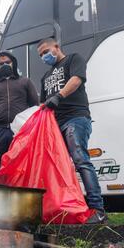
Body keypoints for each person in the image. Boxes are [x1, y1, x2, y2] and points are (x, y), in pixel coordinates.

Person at [37, 38, 106, 224]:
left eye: (46, 51)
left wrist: (59, 96)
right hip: (55, 126)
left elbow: (76, 80)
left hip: (76, 118)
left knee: (81, 160)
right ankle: (66, 208)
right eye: (41, 55)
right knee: (58, 167)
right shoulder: (45, 77)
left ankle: (98, 210)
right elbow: (43, 104)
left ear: (57, 47)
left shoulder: (74, 59)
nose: (44, 56)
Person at [0, 52, 39, 183]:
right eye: (1, 64)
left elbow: (35, 105)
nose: (5, 65)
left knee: (19, 164)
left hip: (19, 131)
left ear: (14, 63)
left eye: (8, 62)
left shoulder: (25, 81)